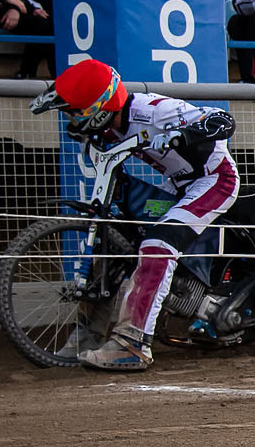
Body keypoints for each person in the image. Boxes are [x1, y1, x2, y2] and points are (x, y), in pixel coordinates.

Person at [31, 61, 239, 372]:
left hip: (214, 180)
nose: (71, 120)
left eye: (74, 112)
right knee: (116, 243)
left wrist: (183, 135)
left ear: (97, 107)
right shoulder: (112, 126)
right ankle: (87, 336)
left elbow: (222, 119)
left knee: (157, 245)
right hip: (181, 186)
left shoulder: (152, 110)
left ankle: (133, 344)